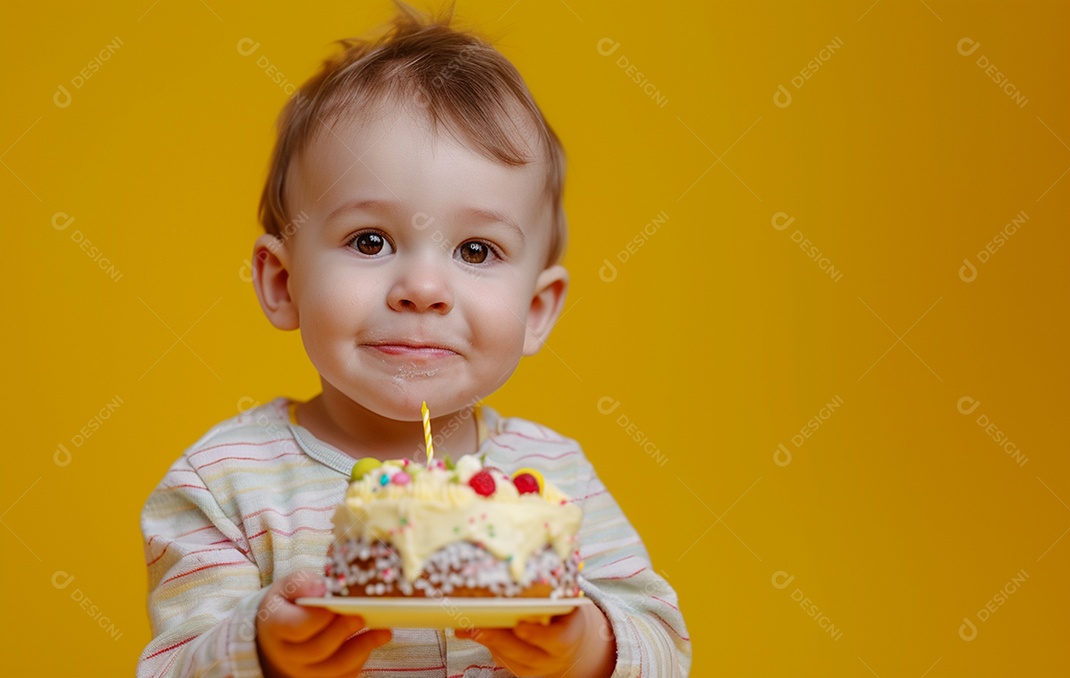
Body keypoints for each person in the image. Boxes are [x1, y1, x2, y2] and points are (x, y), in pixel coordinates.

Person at [138, 3, 691, 676]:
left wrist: (587, 646)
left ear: (538, 309)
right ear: (282, 282)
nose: (423, 288)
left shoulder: (555, 479)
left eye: (478, 250)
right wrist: (260, 651)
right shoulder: (221, 483)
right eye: (369, 240)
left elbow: (663, 644)